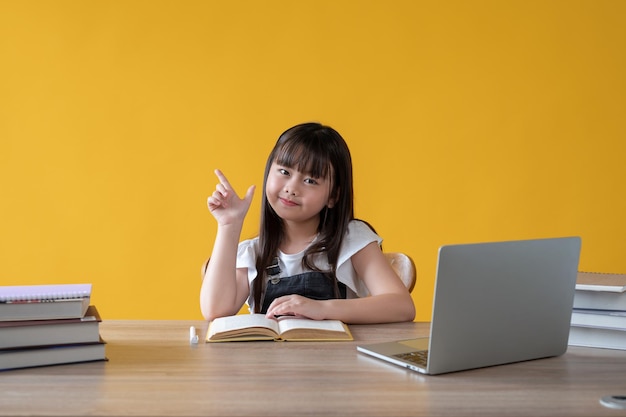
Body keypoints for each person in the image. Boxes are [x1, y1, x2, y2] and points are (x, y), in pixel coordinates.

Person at [200, 122, 415, 324]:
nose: (292, 188)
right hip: (266, 363)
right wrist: (229, 225)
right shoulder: (253, 252)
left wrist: (322, 309)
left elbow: (402, 306)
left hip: (337, 361)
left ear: (333, 196)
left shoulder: (351, 239)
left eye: (310, 180)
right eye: (284, 172)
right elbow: (215, 311)